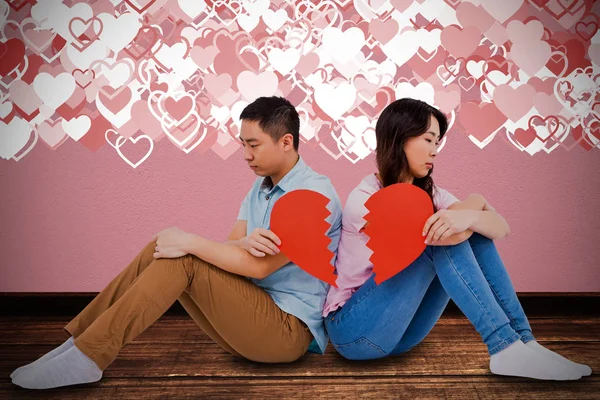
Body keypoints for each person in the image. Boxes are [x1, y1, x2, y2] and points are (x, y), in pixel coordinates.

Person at [11, 96, 343, 390]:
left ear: (286, 142)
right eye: (242, 144)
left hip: (285, 333)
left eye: (253, 145)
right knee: (164, 245)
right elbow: (229, 249)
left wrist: (195, 241)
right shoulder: (261, 188)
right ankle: (79, 344)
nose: (245, 155)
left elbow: (257, 265)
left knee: (184, 254)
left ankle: (89, 356)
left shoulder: (315, 196)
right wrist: (239, 241)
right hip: (249, 313)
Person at [322, 97, 592, 380]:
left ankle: (524, 342)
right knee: (438, 239)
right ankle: (504, 346)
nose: (435, 151)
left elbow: (501, 228)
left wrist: (471, 213)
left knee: (466, 231)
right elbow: (444, 239)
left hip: (401, 334)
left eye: (437, 142)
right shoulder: (364, 198)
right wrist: (473, 207)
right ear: (399, 138)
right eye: (428, 140)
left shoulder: (430, 194)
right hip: (351, 331)